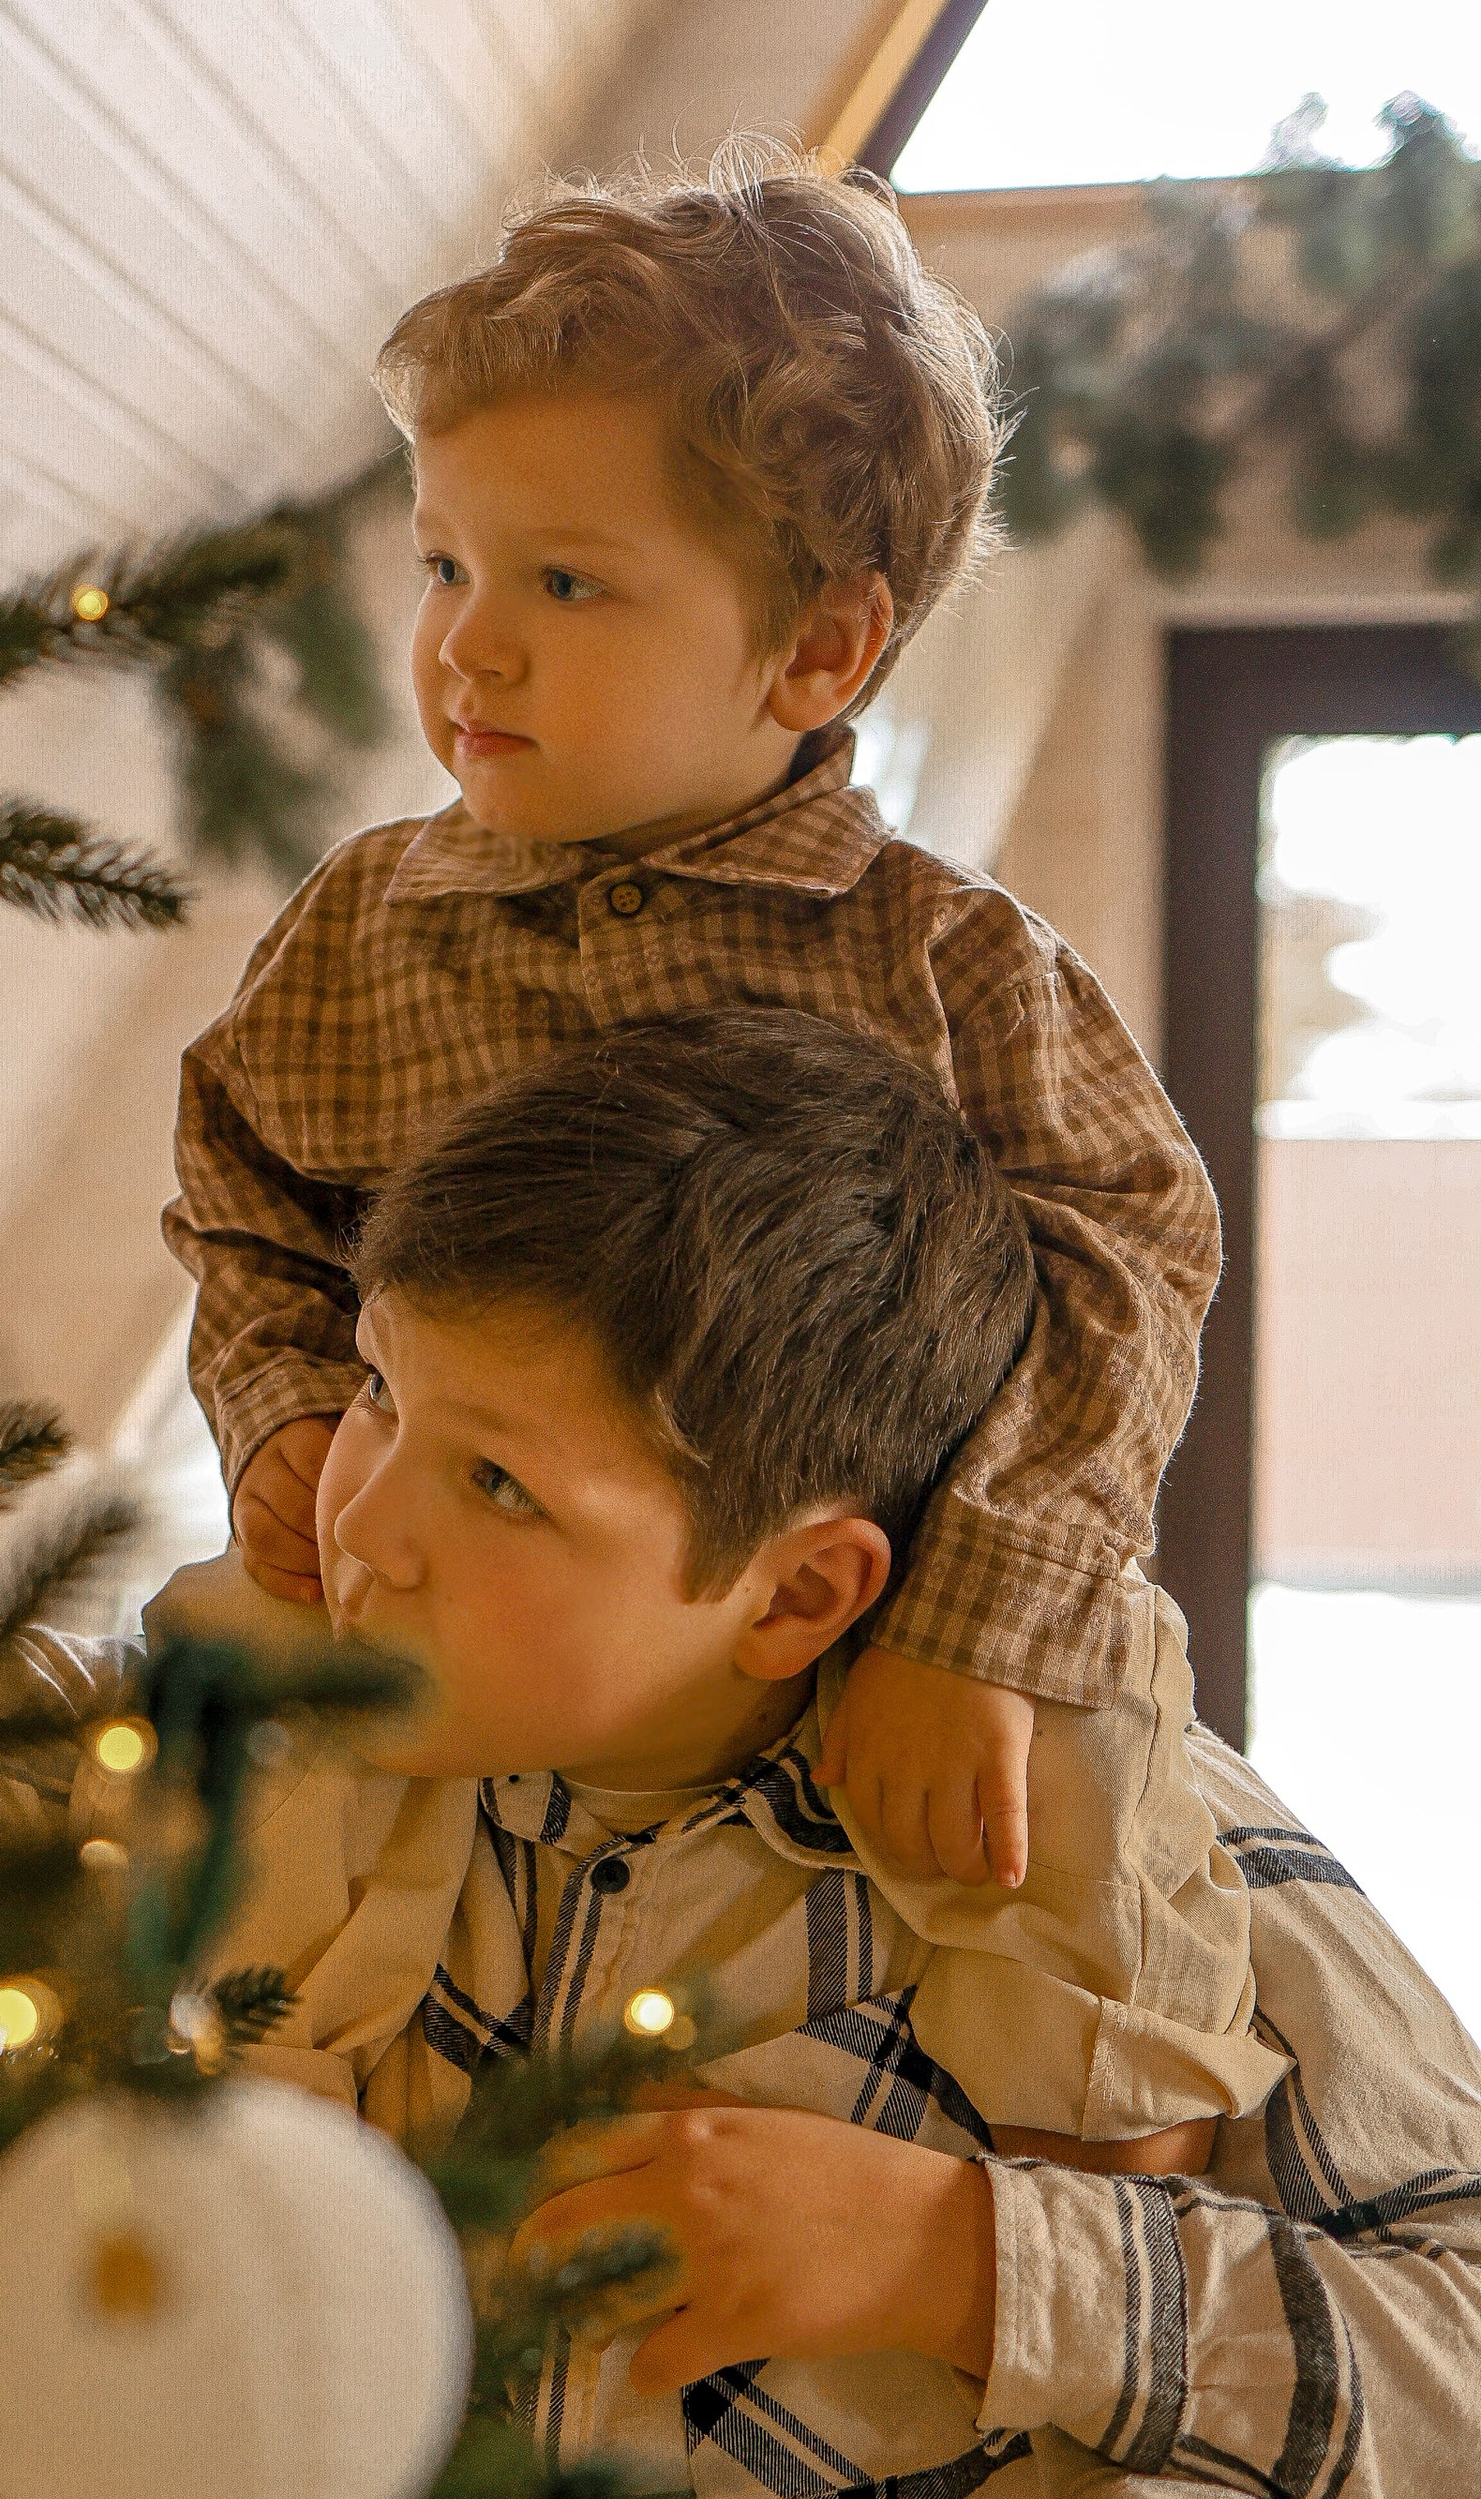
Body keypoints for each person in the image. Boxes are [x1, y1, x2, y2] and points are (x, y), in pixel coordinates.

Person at [121, 1010, 1471, 2499]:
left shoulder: (1129, 1862)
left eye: (499, 1485)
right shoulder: (309, 1821)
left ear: (796, 1590)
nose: (361, 1527)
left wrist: (970, 2262)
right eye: (377, 1402)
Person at [164, 149, 1270, 2172]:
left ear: (814, 654)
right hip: (492, 1588)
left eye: (560, 583)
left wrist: (971, 1616)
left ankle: (1103, 2175)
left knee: (1093, 1731)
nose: (465, 650)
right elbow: (243, 1193)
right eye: (443, 566)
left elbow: (1130, 1246)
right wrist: (280, 1414)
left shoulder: (936, 961)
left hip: (843, 1599)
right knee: (217, 1684)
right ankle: (264, 2133)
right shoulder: (360, 931)